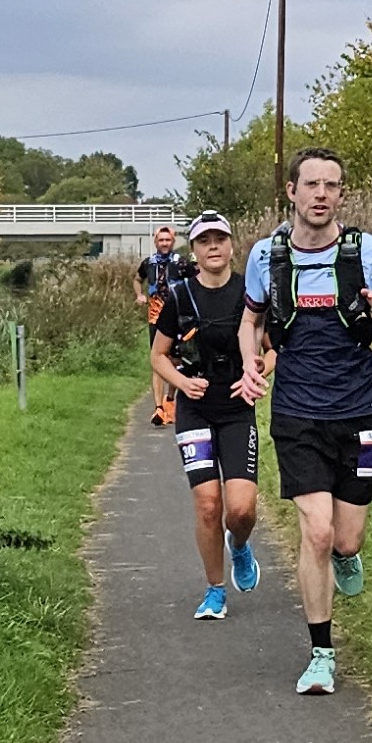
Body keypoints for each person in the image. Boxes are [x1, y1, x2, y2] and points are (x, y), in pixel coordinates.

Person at [237, 147, 372, 694]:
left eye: (332, 185)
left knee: (344, 539)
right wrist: (251, 362)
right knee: (315, 533)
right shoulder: (267, 256)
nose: (321, 194)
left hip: (359, 411)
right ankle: (321, 654)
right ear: (291, 192)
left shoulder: (367, 253)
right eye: (311, 184)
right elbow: (251, 320)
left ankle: (349, 554)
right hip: (297, 412)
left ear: (341, 195)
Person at [151, 210, 267, 620]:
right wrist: (181, 385)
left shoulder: (250, 295)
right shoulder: (179, 297)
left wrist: (257, 371)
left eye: (220, 239)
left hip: (237, 408)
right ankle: (215, 590)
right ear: (194, 251)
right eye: (204, 241)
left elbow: (273, 349)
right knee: (207, 504)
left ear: (232, 245)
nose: (213, 247)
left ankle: (239, 545)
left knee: (240, 510)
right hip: (195, 408)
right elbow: (158, 356)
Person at [134, 225, 189, 426]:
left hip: (177, 317)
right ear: (155, 242)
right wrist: (139, 295)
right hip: (155, 317)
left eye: (168, 240)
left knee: (175, 362)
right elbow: (137, 279)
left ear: (173, 242)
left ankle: (170, 401)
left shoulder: (182, 263)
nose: (164, 243)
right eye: (161, 240)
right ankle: (158, 409)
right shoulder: (148, 263)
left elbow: (195, 283)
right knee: (157, 360)